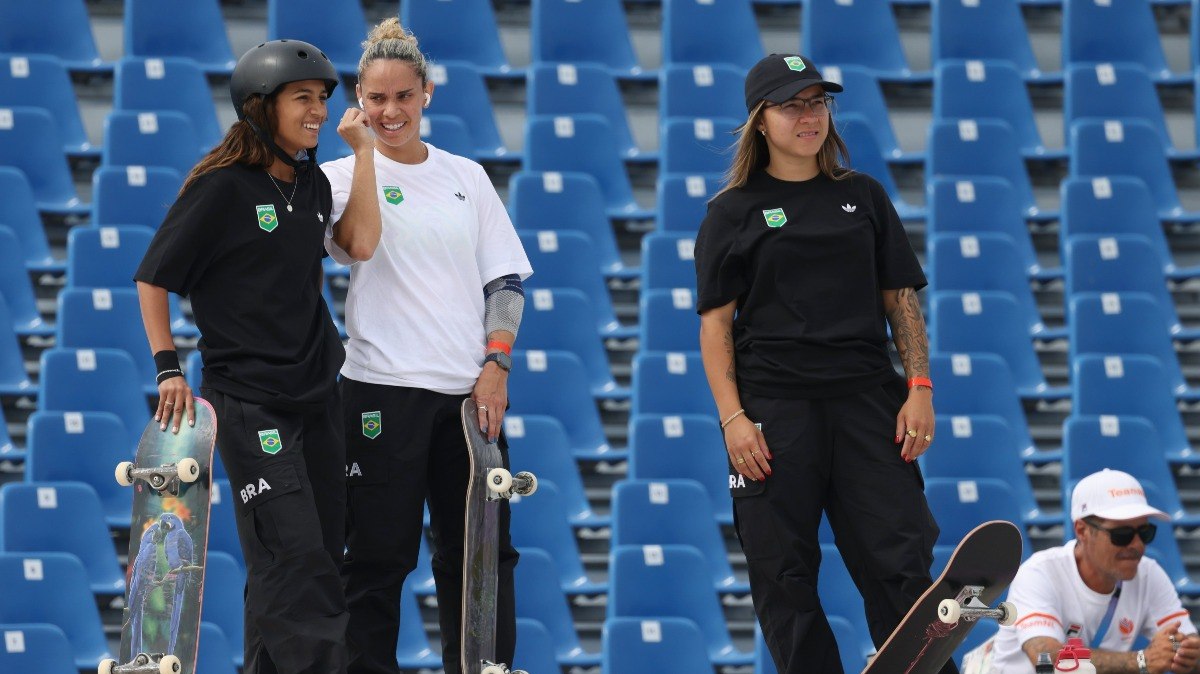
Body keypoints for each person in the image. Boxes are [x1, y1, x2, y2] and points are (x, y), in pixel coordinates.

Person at [694, 53, 948, 674]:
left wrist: (919, 386)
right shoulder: (731, 212)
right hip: (775, 414)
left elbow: (901, 300)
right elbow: (715, 326)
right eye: (791, 104)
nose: (809, 116)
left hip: (867, 405)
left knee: (901, 563)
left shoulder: (862, 196)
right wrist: (733, 420)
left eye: (818, 102)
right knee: (782, 575)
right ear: (760, 120)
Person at [134, 39, 377, 674]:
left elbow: (359, 243)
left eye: (323, 98)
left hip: (320, 394)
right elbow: (153, 278)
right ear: (260, 108)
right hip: (250, 403)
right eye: (304, 98)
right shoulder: (220, 190)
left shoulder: (314, 183)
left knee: (318, 552)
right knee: (293, 553)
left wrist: (367, 155)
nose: (320, 110)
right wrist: (168, 368)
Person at [319, 18, 533, 674]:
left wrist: (495, 365)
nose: (390, 111)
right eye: (376, 98)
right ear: (359, 97)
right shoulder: (334, 176)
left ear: (427, 94)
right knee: (376, 559)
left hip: (470, 401)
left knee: (481, 558)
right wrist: (360, 158)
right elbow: (348, 249)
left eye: (403, 97)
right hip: (379, 388)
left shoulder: (465, 176)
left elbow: (504, 282)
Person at [987, 469, 1200, 674]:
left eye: (1145, 532)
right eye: (1122, 534)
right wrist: (1142, 661)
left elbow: (1186, 641)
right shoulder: (1039, 572)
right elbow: (1046, 658)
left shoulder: (1148, 573)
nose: (1137, 545)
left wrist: (1181, 651)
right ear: (1082, 530)